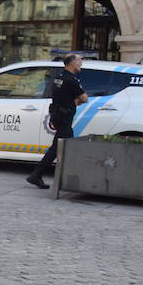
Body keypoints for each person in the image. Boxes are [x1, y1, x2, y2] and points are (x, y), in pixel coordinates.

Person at [27, 53, 88, 189]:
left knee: (56, 148)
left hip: (57, 116)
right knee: (67, 149)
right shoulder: (71, 80)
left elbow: (62, 96)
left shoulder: (58, 78)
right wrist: (75, 102)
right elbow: (85, 98)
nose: (81, 63)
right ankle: (69, 180)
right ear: (71, 63)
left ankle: (36, 175)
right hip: (65, 119)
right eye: (79, 60)